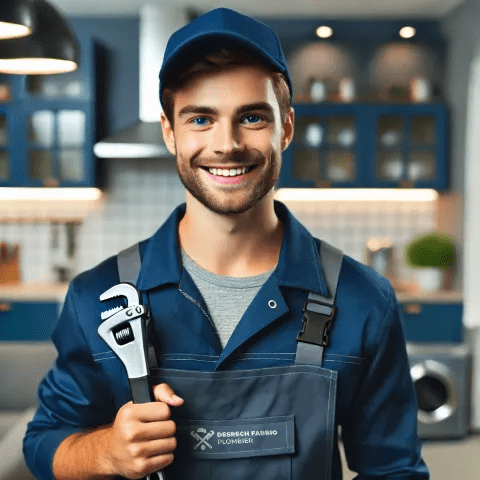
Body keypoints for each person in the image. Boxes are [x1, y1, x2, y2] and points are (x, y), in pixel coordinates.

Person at [23, 8, 429, 480]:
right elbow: (43, 444)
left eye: (252, 117)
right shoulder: (96, 300)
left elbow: (394, 471)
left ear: (287, 128)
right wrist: (106, 452)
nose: (227, 144)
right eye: (200, 119)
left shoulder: (363, 301)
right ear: (170, 132)